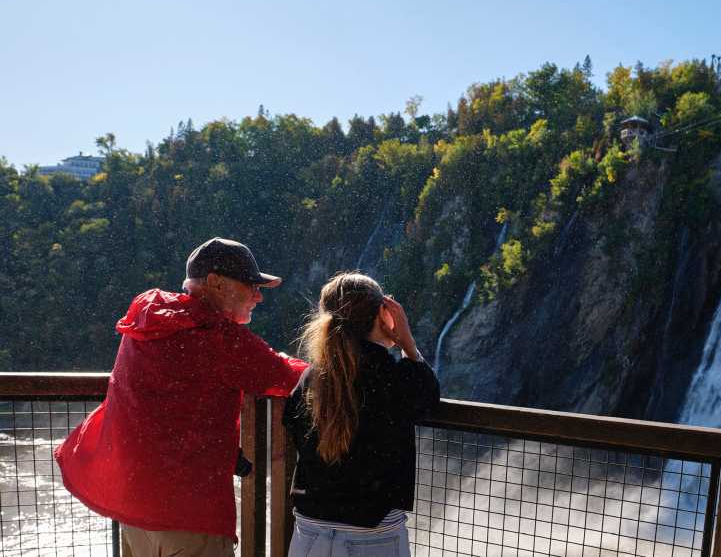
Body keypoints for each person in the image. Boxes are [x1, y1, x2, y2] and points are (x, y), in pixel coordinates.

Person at [55, 237, 309, 557]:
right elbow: (288, 377)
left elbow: (174, 404)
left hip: (135, 510)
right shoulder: (215, 337)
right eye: (249, 284)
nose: (258, 295)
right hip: (188, 516)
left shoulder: (149, 320)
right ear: (215, 283)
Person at [283, 272, 439, 557]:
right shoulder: (394, 377)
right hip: (372, 533)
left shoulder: (312, 378)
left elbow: (292, 424)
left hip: (310, 530)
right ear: (383, 313)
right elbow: (428, 400)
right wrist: (408, 345)